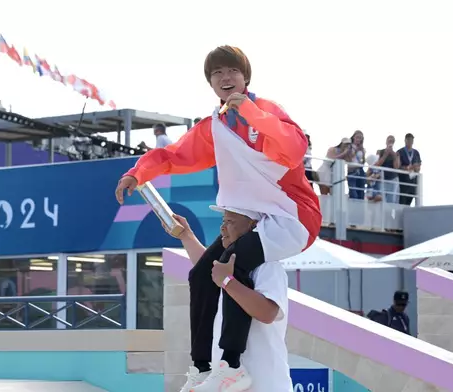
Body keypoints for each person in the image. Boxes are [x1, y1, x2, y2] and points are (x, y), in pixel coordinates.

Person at [115, 45, 321, 391]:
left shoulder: (266, 111)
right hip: (252, 218)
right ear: (210, 83)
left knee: (232, 267)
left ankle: (231, 365)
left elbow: (295, 148)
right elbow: (174, 155)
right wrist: (139, 173)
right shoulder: (216, 125)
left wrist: (254, 115)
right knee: (200, 274)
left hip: (291, 217)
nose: (225, 78)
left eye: (232, 71)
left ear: (246, 77)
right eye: (217, 73)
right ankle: (201, 367)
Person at [165, 210, 291, 392]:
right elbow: (207, 271)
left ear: (253, 226)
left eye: (230, 221)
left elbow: (267, 312)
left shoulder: (268, 266)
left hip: (264, 384)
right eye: (223, 221)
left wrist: (228, 282)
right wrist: (186, 235)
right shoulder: (230, 270)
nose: (222, 228)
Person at [397, 133, 422, 206]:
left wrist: (416, 167)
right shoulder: (400, 152)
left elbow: (419, 165)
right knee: (402, 202)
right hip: (403, 181)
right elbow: (397, 166)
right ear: (405, 140)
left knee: (409, 202)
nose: (410, 141)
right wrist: (407, 168)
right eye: (408, 139)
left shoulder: (416, 152)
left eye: (411, 140)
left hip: (413, 181)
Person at [375, 135, 400, 203]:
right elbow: (377, 165)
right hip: (382, 178)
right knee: (381, 199)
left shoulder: (396, 154)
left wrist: (394, 155)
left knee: (391, 200)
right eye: (389, 140)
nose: (390, 142)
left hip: (392, 179)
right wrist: (385, 155)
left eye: (392, 141)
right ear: (386, 141)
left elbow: (396, 167)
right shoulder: (380, 152)